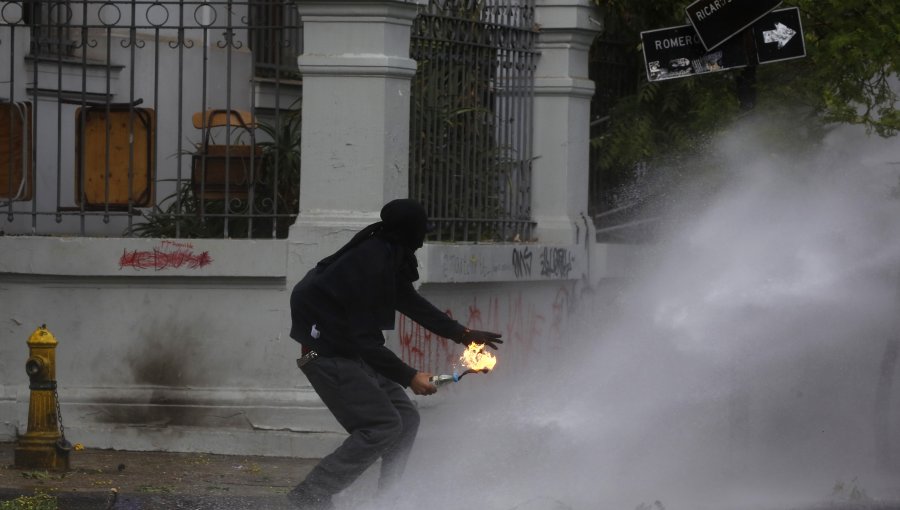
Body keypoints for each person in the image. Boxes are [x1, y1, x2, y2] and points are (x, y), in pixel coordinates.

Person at [287, 198, 502, 510]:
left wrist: (464, 334)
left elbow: (409, 301)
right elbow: (366, 343)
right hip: (327, 356)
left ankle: (389, 498)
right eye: (420, 231)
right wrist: (410, 377)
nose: (423, 238)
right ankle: (311, 494)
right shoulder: (370, 265)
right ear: (408, 233)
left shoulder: (390, 252)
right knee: (381, 426)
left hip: (350, 351)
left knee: (406, 418)